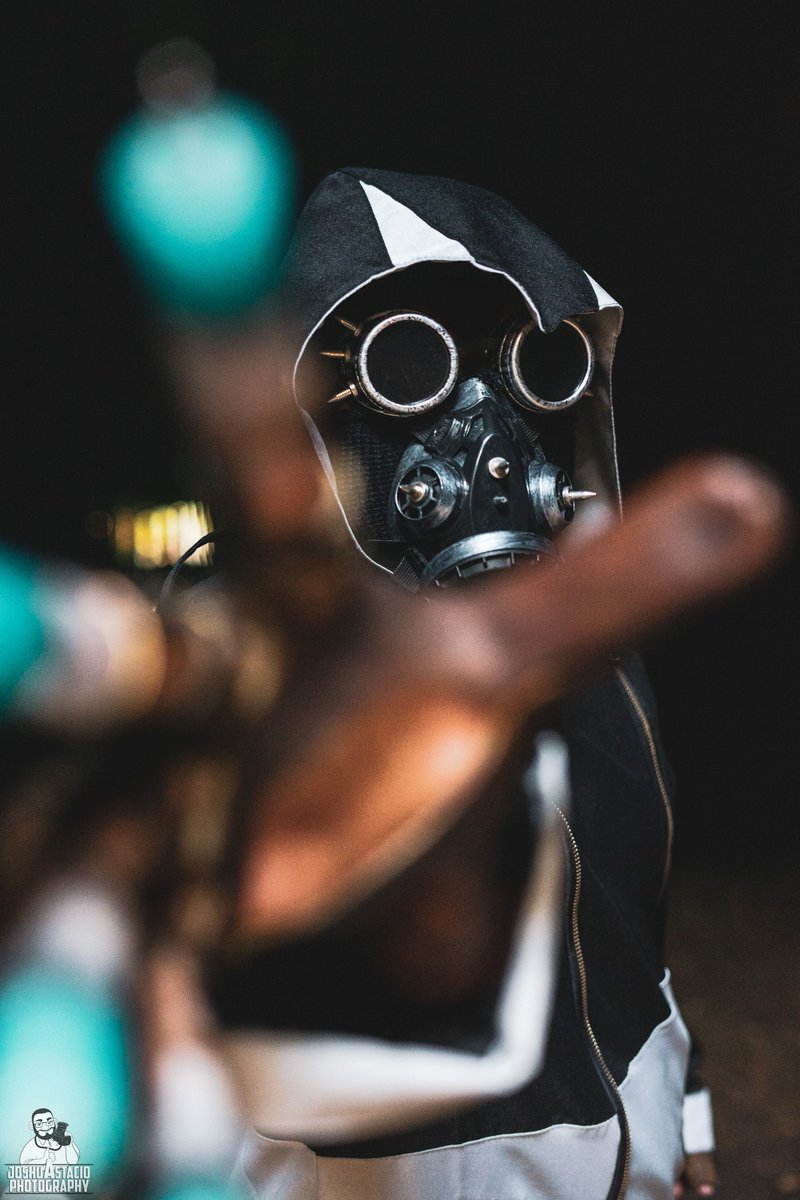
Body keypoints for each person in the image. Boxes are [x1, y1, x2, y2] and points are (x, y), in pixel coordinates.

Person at [206, 167, 717, 1199]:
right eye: (409, 375)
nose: (482, 439)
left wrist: (685, 1113)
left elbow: (630, 923)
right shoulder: (241, 695)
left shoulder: (600, 663)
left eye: (525, 373)